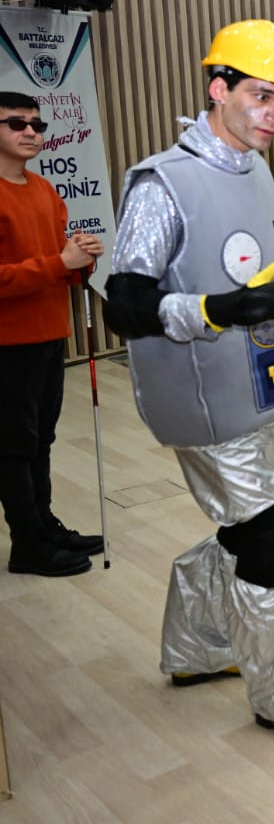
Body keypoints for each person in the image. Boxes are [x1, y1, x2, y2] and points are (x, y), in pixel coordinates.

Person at [102, 21, 274, 746]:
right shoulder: (164, 183)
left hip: (259, 380)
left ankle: (195, 648)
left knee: (239, 529)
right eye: (260, 95)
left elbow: (257, 273)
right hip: (200, 394)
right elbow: (123, 304)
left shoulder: (254, 168)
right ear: (217, 89)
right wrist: (224, 310)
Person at [0, 89, 105, 576]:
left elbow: (59, 267)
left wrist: (80, 260)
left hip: (48, 334)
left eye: (37, 126)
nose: (30, 133)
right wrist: (57, 262)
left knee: (41, 439)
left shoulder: (44, 190)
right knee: (14, 447)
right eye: (16, 124)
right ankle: (28, 544)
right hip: (8, 344)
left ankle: (43, 525)